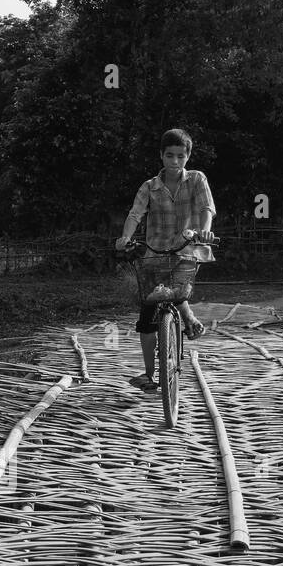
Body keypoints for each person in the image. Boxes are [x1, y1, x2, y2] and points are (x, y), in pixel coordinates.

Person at [116, 128, 216, 389]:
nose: (175, 161)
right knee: (147, 314)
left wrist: (205, 231)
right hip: (155, 253)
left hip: (187, 249)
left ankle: (188, 319)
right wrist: (125, 237)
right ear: (161, 156)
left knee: (175, 287)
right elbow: (135, 214)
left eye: (180, 156)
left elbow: (206, 208)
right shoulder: (149, 187)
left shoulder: (196, 179)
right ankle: (149, 374)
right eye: (169, 155)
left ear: (188, 156)